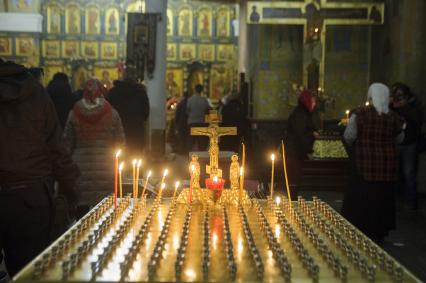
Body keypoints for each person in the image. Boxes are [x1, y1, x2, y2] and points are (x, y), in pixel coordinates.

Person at [0, 59, 80, 277]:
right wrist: (70, 188)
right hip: (31, 199)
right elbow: (56, 146)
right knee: (30, 272)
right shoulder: (35, 92)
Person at [342, 83, 404, 243]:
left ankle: (361, 229)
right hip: (386, 168)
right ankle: (380, 231)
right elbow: (400, 139)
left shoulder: (360, 114)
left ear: (370, 96)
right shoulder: (394, 118)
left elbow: (349, 136)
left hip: (364, 166)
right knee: (382, 199)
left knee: (364, 198)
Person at [64, 79, 125, 217]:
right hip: (107, 167)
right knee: (105, 216)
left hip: (80, 170)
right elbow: (121, 143)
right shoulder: (112, 113)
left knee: (81, 219)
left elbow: (66, 144)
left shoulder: (74, 113)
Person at [391, 83, 424, 210]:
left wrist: (401, 107)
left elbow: (416, 121)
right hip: (397, 141)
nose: (396, 98)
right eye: (395, 95)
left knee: (408, 173)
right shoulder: (395, 106)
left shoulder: (414, 107)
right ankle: (397, 198)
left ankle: (411, 201)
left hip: (410, 143)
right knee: (395, 172)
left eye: (399, 95)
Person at [107, 68, 150, 157]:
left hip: (117, 131)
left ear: (122, 77)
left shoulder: (113, 92)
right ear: (135, 78)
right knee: (135, 159)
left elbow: (107, 112)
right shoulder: (141, 92)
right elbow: (146, 113)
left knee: (119, 159)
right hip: (136, 132)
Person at [285, 89, 319, 194]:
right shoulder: (300, 114)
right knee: (294, 180)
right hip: (294, 152)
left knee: (296, 179)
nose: (314, 104)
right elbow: (299, 135)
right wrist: (311, 138)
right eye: (312, 101)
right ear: (307, 101)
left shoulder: (303, 112)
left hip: (296, 152)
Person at [186, 84, 210, 151]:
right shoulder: (204, 100)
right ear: (201, 90)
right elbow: (207, 111)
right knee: (201, 143)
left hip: (192, 123)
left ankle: (190, 158)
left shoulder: (190, 100)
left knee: (191, 142)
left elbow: (187, 111)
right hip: (201, 123)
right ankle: (201, 158)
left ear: (194, 90)